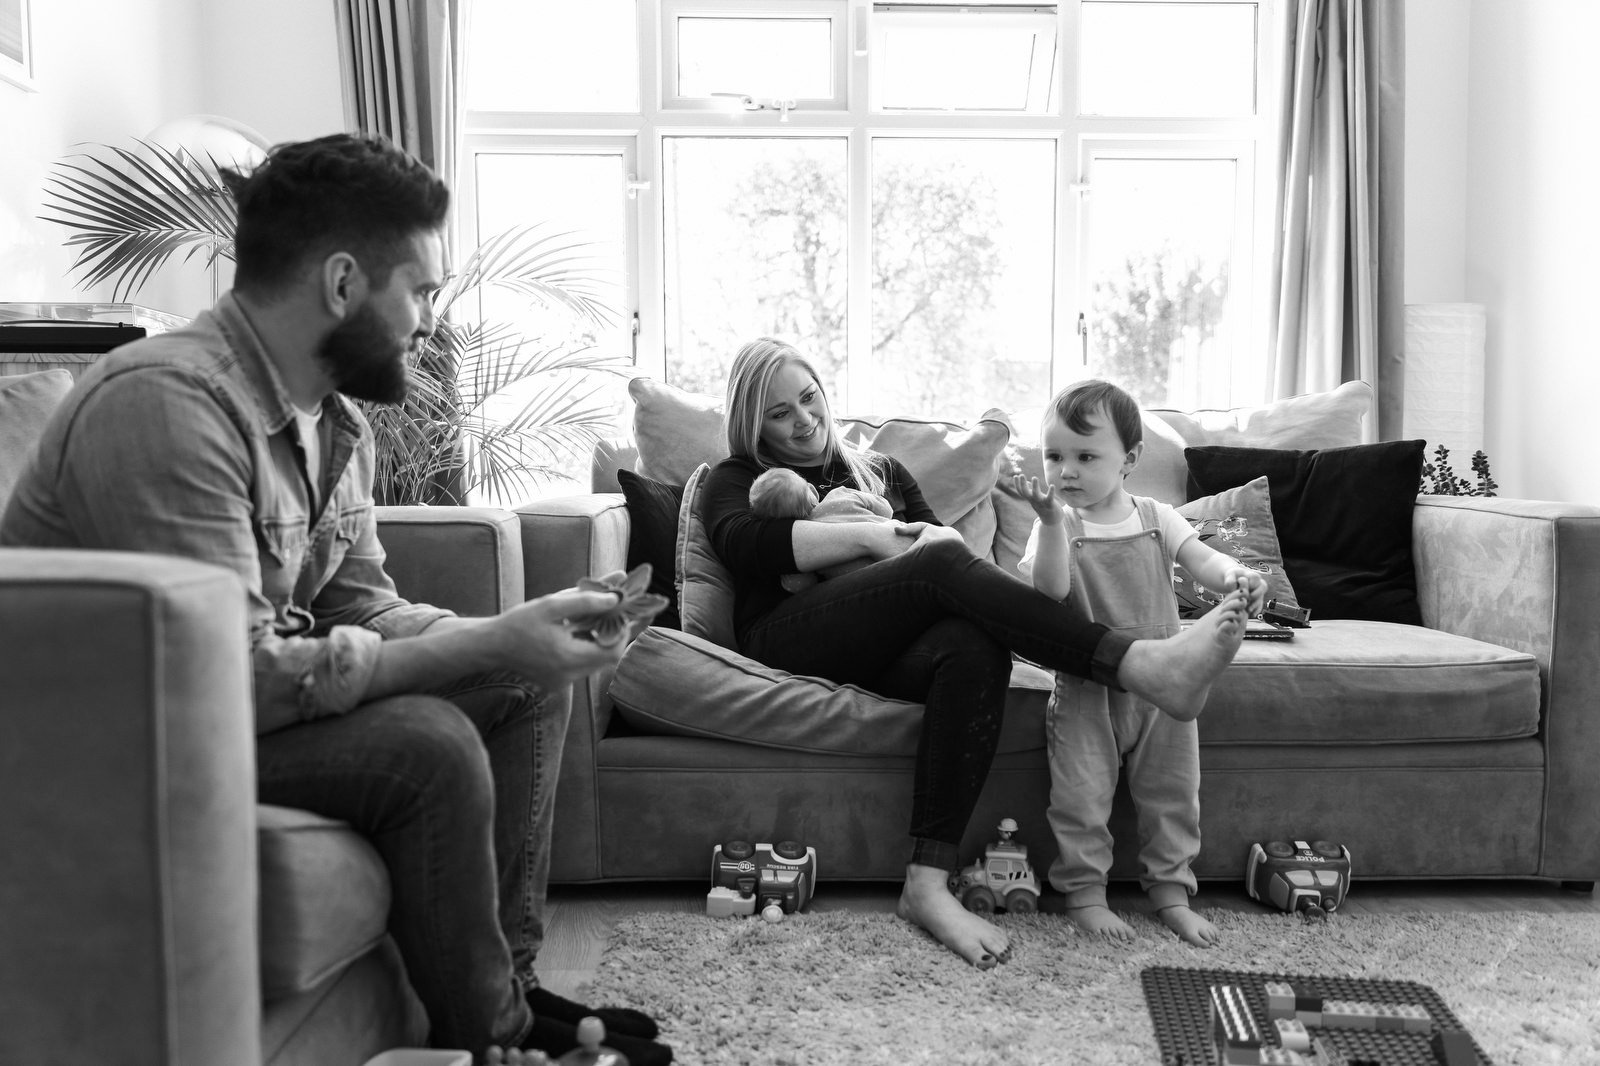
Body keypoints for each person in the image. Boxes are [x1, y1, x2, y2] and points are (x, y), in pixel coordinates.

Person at [0, 133, 671, 1065]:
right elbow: (222, 685)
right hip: (124, 748)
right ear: (346, 283)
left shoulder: (330, 419)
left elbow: (366, 607)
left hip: (228, 717)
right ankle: (501, 1041)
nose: (432, 322)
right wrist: (487, 643)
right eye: (424, 290)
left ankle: (500, 994)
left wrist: (514, 634)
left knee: (521, 684)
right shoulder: (168, 406)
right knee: (425, 746)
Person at [700, 337, 1251, 968]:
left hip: (887, 649)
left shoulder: (879, 471)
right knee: (935, 558)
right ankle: (1135, 663)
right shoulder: (736, 477)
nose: (804, 419)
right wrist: (880, 536)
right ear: (752, 424)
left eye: (809, 397)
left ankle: (927, 884)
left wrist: (905, 546)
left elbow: (947, 566)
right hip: (791, 637)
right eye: (780, 413)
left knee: (974, 640)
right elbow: (747, 544)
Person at [1013, 379, 1265, 948]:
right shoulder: (1057, 523)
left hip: (1166, 686)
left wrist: (1236, 578)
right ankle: (1084, 895)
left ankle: (1171, 893)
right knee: (1081, 797)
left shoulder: (1157, 515)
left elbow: (1202, 559)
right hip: (1086, 687)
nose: (1065, 471)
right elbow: (1048, 594)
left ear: (1128, 460)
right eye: (1054, 456)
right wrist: (1050, 523)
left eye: (1085, 456)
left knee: (1173, 795)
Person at [748, 466, 895, 590]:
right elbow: (886, 509)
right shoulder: (841, 495)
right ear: (812, 489)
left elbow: (799, 586)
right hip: (899, 540)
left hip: (871, 583)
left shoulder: (807, 549)